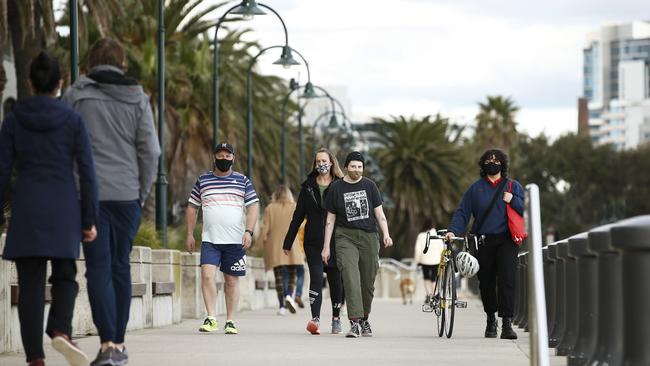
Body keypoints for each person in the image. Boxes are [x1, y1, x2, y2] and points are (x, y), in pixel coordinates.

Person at [63, 38, 161, 365]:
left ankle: (106, 345)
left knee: (97, 270)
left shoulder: (76, 95)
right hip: (127, 197)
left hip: (87, 198)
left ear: (89, 62)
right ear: (122, 63)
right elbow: (151, 152)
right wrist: (140, 193)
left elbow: (64, 146)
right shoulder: (138, 98)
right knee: (121, 267)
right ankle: (118, 345)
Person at [0, 52, 98, 366]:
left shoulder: (14, 119)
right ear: (61, 83)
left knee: (29, 286)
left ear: (29, 82)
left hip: (27, 208)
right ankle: (60, 328)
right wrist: (89, 218)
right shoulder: (73, 120)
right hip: (64, 210)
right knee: (66, 275)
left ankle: (35, 359)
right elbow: (87, 171)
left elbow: (2, 171)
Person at [446, 148, 524, 340]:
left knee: (507, 281)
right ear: (483, 164)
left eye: (497, 160)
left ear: (503, 164)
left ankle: (507, 324)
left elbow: (526, 209)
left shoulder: (513, 186)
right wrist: (453, 231)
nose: (493, 162)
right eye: (489, 159)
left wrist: (513, 200)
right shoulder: (475, 189)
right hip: (483, 241)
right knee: (486, 282)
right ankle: (491, 319)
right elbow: (463, 212)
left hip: (507, 240)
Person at [186, 142, 259, 335]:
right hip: (210, 240)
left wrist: (248, 231)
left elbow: (253, 207)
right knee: (207, 275)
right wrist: (189, 234)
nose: (224, 159)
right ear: (214, 157)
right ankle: (211, 317)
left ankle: (230, 320)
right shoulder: (203, 180)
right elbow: (192, 207)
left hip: (235, 241)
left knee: (231, 281)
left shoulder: (243, 180)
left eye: (228, 156)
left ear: (233, 158)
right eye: (220, 155)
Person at [322, 151, 393, 338]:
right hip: (345, 237)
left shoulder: (370, 186)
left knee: (368, 281)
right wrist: (326, 246)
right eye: (353, 166)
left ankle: (364, 319)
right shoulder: (336, 188)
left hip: (369, 236)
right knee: (351, 278)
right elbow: (330, 220)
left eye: (360, 167)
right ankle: (354, 322)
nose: (356, 170)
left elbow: (380, 214)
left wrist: (386, 234)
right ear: (346, 167)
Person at [283, 148, 345, 335]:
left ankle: (336, 319)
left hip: (336, 240)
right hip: (313, 241)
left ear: (332, 162)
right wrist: (288, 242)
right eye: (318, 161)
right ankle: (315, 319)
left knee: (335, 280)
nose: (321, 164)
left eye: (324, 160)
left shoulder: (341, 185)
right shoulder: (308, 187)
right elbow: (298, 217)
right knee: (316, 278)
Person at [259, 185, 304, 315]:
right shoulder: (294, 206)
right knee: (292, 275)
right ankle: (290, 295)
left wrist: (258, 243)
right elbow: (300, 225)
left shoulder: (270, 208)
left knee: (279, 277)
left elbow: (265, 228)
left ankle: (282, 307)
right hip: (292, 245)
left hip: (275, 246)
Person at [413, 220, 444, 304]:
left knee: (426, 278)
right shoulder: (437, 236)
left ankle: (428, 295)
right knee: (434, 278)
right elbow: (442, 248)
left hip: (424, 260)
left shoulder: (421, 235)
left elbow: (418, 249)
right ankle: (434, 295)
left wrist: (417, 261)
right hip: (436, 260)